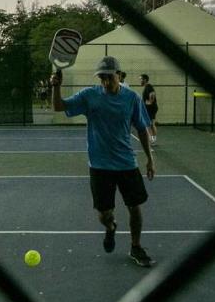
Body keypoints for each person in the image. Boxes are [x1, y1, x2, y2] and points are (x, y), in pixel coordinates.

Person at [51, 56, 156, 267]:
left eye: (109, 77)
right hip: (99, 165)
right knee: (104, 214)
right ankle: (110, 228)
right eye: (102, 78)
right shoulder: (90, 95)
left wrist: (149, 160)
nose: (106, 82)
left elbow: (142, 130)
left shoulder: (132, 98)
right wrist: (56, 87)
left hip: (127, 163)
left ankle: (136, 246)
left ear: (119, 75)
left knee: (135, 207)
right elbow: (59, 107)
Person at [139, 73, 158, 144]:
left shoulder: (149, 87)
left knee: (150, 124)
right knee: (150, 124)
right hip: (149, 108)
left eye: (141, 79)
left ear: (145, 80)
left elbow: (152, 94)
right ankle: (152, 139)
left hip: (151, 108)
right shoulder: (147, 87)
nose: (140, 81)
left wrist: (150, 102)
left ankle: (152, 139)